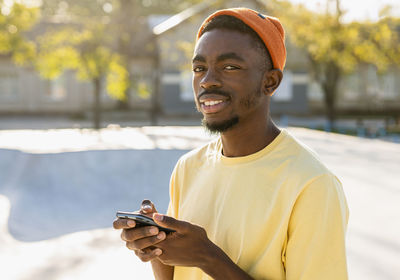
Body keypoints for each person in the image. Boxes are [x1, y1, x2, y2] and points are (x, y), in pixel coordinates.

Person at [113, 7, 349, 280]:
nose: (207, 80)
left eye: (229, 67)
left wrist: (207, 257)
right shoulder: (188, 167)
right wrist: (157, 248)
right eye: (199, 68)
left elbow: (203, 259)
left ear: (270, 82)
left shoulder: (311, 184)